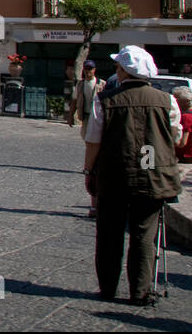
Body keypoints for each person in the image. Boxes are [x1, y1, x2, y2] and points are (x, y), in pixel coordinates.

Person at [83, 46, 181, 306]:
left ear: (124, 71)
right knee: (144, 234)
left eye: (118, 68)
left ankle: (108, 288)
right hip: (152, 176)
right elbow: (175, 136)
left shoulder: (105, 100)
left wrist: (88, 170)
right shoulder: (167, 100)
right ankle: (140, 291)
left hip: (114, 175)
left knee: (109, 234)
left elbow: (93, 140)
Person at [67, 61, 106, 217]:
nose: (88, 71)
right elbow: (75, 100)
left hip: (99, 117)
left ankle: (91, 165)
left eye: (90, 69)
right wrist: (71, 115)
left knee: (95, 141)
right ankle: (91, 163)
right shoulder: (80, 85)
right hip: (87, 116)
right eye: (86, 69)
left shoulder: (101, 84)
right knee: (87, 140)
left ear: (94, 70)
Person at [174, 86, 192, 163]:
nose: (175, 102)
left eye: (177, 100)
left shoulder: (186, 117)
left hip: (188, 156)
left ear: (187, 101)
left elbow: (182, 143)